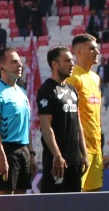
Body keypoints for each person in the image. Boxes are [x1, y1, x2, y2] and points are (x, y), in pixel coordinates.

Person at [36, 46, 86, 193]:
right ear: (54, 64)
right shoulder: (46, 90)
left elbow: (78, 123)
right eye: (67, 60)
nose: (72, 64)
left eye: (72, 60)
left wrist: (84, 154)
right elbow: (46, 127)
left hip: (75, 161)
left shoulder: (72, 90)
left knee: (75, 207)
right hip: (56, 163)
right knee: (54, 209)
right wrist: (57, 156)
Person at [0, 47, 31, 195]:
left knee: (21, 199)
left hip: (23, 150)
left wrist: (32, 153)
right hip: (6, 150)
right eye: (14, 62)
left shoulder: (22, 92)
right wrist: (1, 158)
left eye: (19, 61)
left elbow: (27, 125)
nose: (19, 65)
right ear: (1, 66)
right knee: (5, 200)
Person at [65, 34, 106, 191]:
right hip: (80, 150)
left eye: (96, 48)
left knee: (95, 198)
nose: (97, 51)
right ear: (79, 52)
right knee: (76, 197)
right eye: (92, 48)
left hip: (96, 147)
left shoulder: (95, 78)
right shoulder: (73, 79)